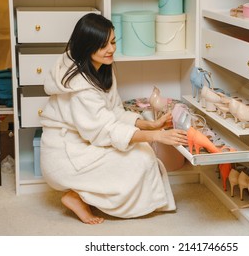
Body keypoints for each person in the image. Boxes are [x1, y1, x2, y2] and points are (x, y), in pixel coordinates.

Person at [39, 13, 188, 225]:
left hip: (86, 142)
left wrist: (149, 124)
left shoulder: (100, 67)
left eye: (113, 41)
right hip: (66, 155)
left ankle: (84, 194)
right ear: (87, 46)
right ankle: (79, 196)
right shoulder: (80, 87)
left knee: (143, 151)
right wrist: (156, 136)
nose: (111, 49)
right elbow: (105, 131)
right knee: (141, 159)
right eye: (103, 45)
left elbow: (114, 112)